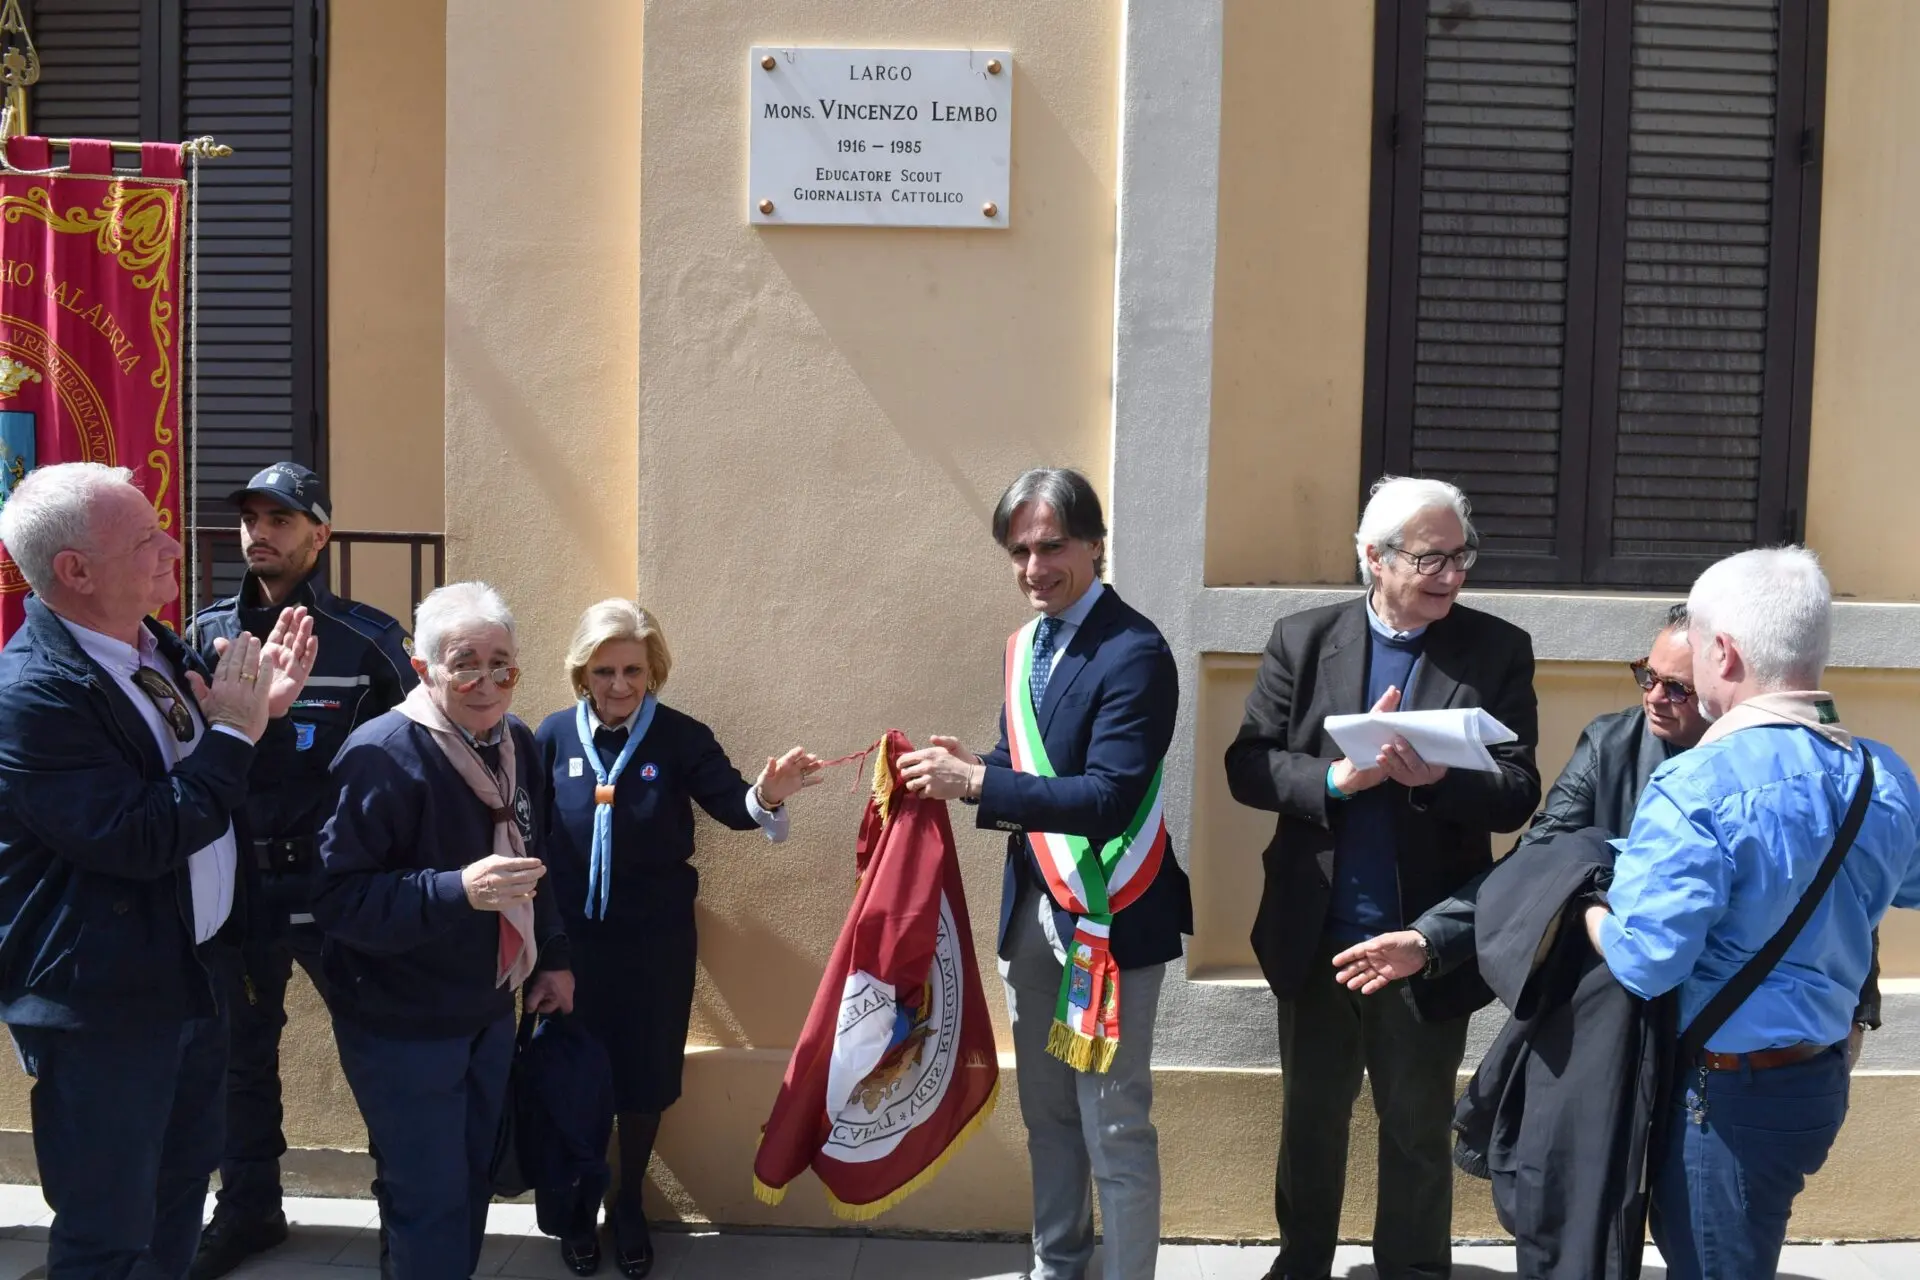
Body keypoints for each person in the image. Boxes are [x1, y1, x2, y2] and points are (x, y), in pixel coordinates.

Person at [0, 462, 315, 1280]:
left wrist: (261, 716)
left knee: (178, 1198)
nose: (174, 547)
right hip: (104, 1008)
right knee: (108, 1233)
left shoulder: (153, 645)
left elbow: (216, 784)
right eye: (146, 539)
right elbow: (139, 837)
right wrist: (236, 734)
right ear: (76, 571)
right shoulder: (32, 694)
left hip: (193, 974)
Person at [1222, 475, 1540, 1280]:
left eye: (1462, 556)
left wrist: (1437, 779)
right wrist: (1335, 780)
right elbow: (1248, 765)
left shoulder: (1496, 649)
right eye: (1432, 558)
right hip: (1317, 934)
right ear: (1374, 556)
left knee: (1416, 1133)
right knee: (1310, 1124)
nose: (1451, 574)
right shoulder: (1303, 639)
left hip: (1421, 940)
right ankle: (1301, 1266)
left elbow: (1518, 793)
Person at [1581, 547, 1920, 1280]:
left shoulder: (1694, 784)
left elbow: (1647, 962)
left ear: (1724, 654)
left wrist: (1590, 911)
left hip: (1728, 1095)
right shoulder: (1884, 771)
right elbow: (1911, 886)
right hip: (1817, 1079)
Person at [899, 467, 1192, 1280]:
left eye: (1052, 546)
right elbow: (1026, 765)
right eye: (1019, 552)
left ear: (1095, 545)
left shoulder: (1136, 651)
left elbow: (1106, 797)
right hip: (1032, 910)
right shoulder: (1026, 646)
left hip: (1110, 919)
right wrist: (973, 767)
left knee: (1114, 1126)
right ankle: (1055, 1266)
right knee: (1049, 1117)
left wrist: (979, 783)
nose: (1034, 568)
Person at [534, 599, 820, 1276]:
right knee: (573, 1077)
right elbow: (529, 831)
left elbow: (733, 805)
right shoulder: (551, 736)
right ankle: (579, 1204)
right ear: (582, 673)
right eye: (604, 671)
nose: (619, 685)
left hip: (653, 948)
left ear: (653, 670)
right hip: (569, 946)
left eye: (633, 670)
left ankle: (629, 1201)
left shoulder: (680, 736)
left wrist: (768, 794)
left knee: (643, 1075)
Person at [187, 462, 417, 1279]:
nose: (260, 533)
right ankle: (250, 1210)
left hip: (336, 890)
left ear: (321, 534)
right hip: (239, 890)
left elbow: (416, 760)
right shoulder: (204, 636)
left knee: (380, 1056)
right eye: (251, 518)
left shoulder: (368, 639)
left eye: (280, 519)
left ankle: (406, 1221)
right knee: (238, 1059)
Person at [315, 581, 573, 1280]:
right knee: (426, 1195)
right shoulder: (381, 753)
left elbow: (535, 857)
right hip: (402, 1021)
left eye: (501, 665)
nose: (486, 683)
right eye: (465, 665)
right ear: (424, 668)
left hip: (487, 1006)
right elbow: (337, 898)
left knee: (471, 1181)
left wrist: (551, 955)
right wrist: (456, 890)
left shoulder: (515, 742)